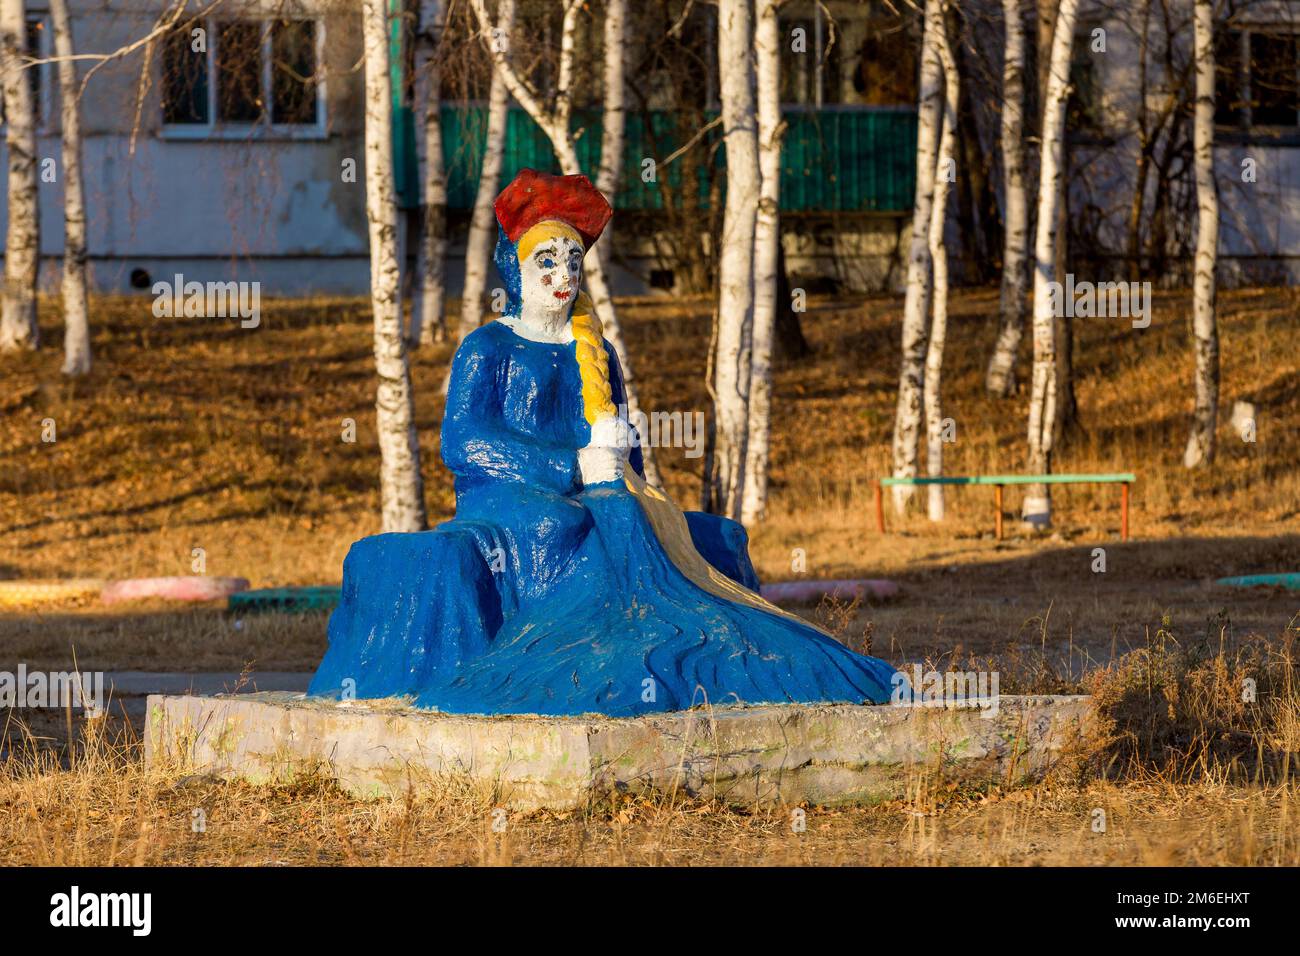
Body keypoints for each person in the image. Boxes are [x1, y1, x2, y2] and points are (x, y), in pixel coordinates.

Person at [309, 169, 897, 716]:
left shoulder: (597, 352)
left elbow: (624, 453)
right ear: (514, 271)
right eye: (547, 261)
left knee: (708, 535)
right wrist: (568, 464)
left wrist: (619, 455)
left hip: (599, 491)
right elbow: (462, 443)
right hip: (507, 501)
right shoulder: (488, 348)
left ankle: (694, 654)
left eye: (573, 261)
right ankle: (566, 655)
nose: (563, 275)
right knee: (560, 527)